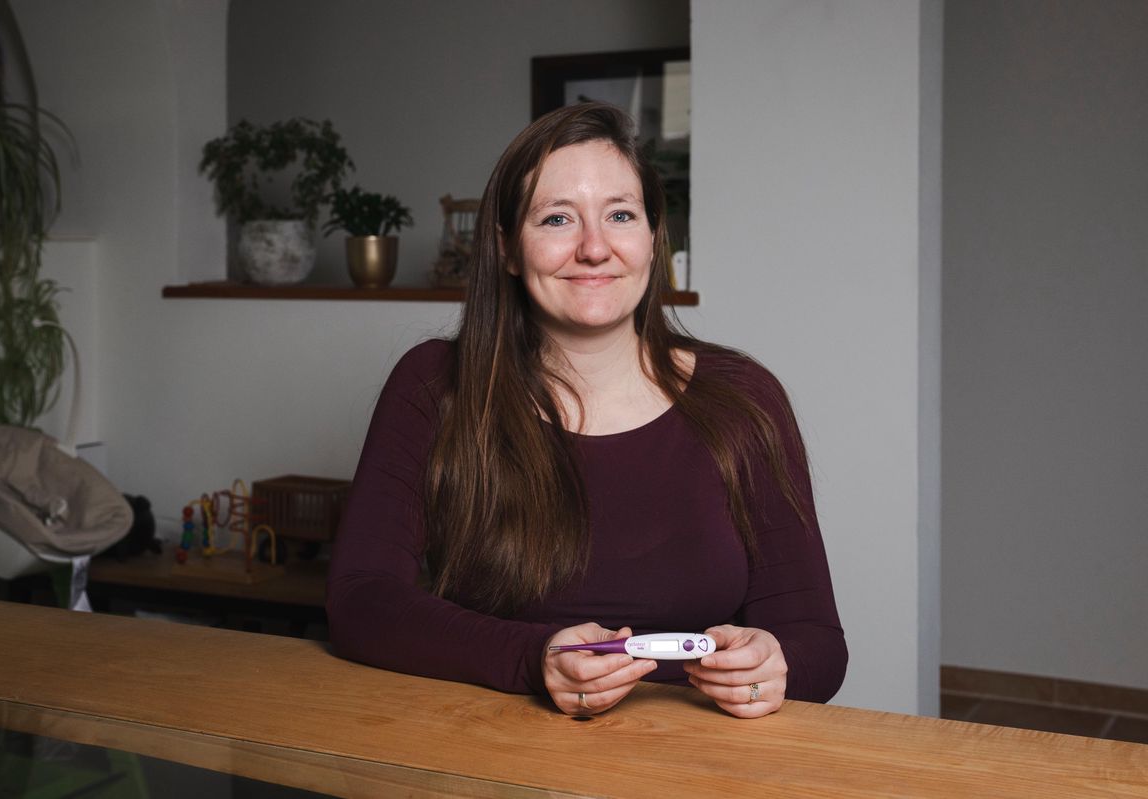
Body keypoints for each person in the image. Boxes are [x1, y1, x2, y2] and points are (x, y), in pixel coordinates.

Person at [327, 102, 846, 718]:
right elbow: (361, 602)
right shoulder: (435, 384)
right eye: (556, 219)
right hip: (486, 755)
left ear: (653, 238)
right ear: (508, 250)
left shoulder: (743, 399)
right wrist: (532, 657)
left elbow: (816, 645)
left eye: (620, 215)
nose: (594, 248)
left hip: (698, 765)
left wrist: (770, 665)